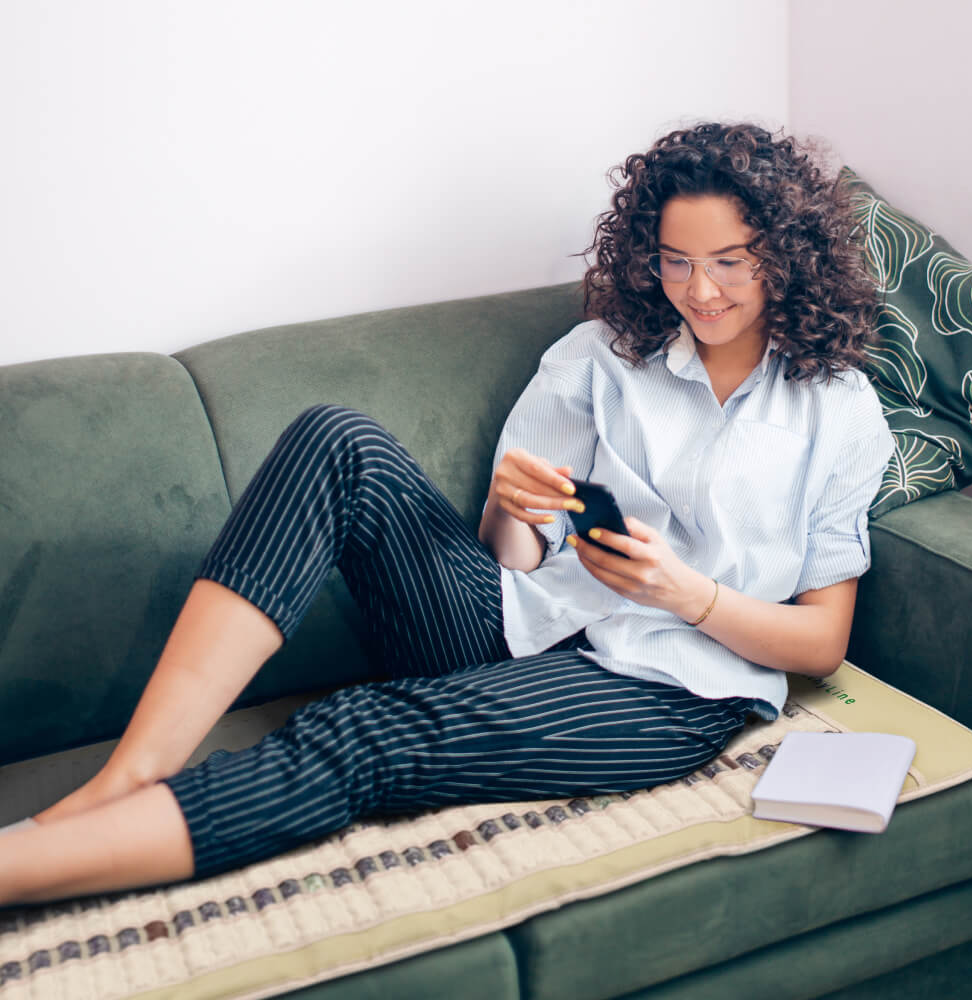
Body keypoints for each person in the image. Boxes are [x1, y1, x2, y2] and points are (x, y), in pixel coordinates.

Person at [0, 122, 893, 906]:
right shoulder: (600, 355)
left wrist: (690, 596)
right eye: (676, 261)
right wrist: (510, 507)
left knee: (361, 730)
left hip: (664, 688)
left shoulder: (838, 409)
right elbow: (507, 559)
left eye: (730, 262)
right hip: (521, 617)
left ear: (783, 254)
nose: (700, 291)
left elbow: (820, 647)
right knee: (335, 438)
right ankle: (133, 770)